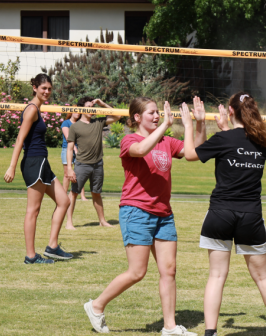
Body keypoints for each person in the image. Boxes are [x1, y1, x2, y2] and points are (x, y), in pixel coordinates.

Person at [179, 93, 266, 336]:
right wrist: (225, 127)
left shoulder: (223, 138)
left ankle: (210, 333)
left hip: (220, 213)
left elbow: (191, 154)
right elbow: (239, 144)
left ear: (229, 112)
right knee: (263, 277)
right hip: (250, 217)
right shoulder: (261, 141)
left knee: (216, 276)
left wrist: (191, 124)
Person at [83, 97, 203, 335]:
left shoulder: (166, 141)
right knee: (137, 271)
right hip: (136, 211)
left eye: (158, 112)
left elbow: (195, 153)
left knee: (169, 270)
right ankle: (96, 305)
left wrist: (196, 125)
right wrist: (164, 127)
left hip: (163, 214)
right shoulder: (130, 140)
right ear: (137, 118)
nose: (157, 116)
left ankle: (169, 327)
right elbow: (141, 149)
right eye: (151, 113)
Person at [3, 73, 72, 264]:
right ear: (34, 87)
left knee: (64, 201)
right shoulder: (32, 109)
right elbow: (20, 139)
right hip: (34, 163)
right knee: (33, 210)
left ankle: (52, 247)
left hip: (43, 163)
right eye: (43, 88)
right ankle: (31, 256)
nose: (47, 92)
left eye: (49, 89)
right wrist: (12, 167)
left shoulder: (37, 109)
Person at [66, 97, 119, 230]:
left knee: (96, 193)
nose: (91, 109)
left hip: (98, 164)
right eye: (88, 106)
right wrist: (69, 168)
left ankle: (102, 221)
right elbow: (69, 148)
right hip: (82, 165)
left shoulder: (99, 122)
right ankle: (69, 223)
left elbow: (117, 115)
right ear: (82, 109)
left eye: (93, 106)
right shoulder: (75, 127)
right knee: (74, 193)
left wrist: (102, 104)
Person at [61, 112, 88, 203]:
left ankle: (82, 196)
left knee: (80, 173)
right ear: (71, 112)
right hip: (67, 149)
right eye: (76, 111)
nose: (77, 113)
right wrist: (75, 149)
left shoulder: (80, 123)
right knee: (67, 174)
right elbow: (69, 138)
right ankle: (64, 196)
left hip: (79, 150)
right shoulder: (66, 123)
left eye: (79, 112)